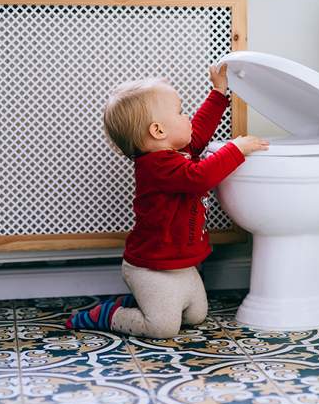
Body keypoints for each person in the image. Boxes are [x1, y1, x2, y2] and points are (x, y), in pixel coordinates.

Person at [66, 64, 269, 338]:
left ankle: (146, 304)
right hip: (151, 267)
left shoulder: (177, 151)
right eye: (180, 112)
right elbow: (200, 177)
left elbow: (198, 132)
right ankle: (110, 314)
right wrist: (236, 149)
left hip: (180, 263)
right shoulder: (156, 166)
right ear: (158, 130)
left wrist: (219, 92)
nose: (187, 117)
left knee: (196, 316)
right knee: (163, 328)